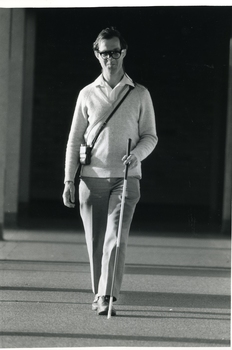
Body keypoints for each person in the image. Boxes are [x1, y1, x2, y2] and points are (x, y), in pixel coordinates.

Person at [62, 27, 158, 316]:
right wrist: (68, 179)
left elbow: (150, 136)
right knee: (96, 242)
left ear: (123, 52)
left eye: (115, 52)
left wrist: (137, 155)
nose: (110, 58)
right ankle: (98, 293)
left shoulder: (139, 94)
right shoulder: (86, 94)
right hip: (91, 179)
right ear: (97, 54)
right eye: (105, 53)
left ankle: (107, 296)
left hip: (126, 179)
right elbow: (74, 140)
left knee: (116, 238)